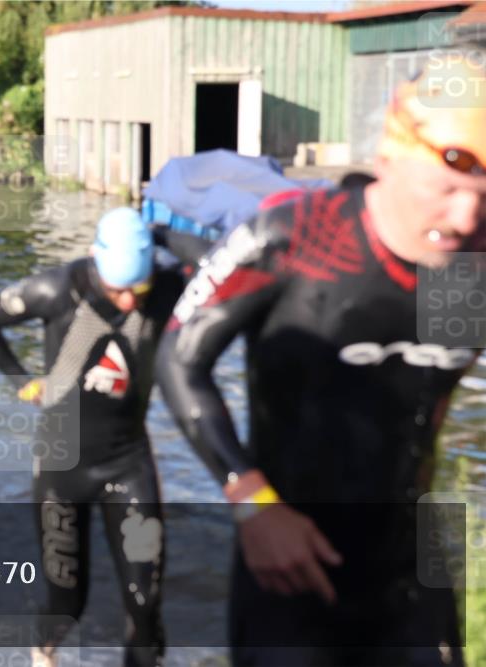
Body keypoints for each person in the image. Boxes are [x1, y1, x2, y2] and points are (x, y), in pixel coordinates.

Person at [155, 54, 486, 666]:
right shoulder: (291, 239)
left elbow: (431, 391)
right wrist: (251, 501)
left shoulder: (471, 268)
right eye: (447, 189)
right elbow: (179, 357)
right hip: (290, 564)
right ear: (390, 157)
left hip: (411, 571)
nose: (466, 220)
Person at [0, 208, 189, 667]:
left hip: (128, 461)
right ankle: (42, 654)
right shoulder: (55, 289)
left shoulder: (168, 284)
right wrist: (21, 381)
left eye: (138, 289)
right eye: (116, 289)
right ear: (94, 262)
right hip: (61, 465)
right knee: (68, 603)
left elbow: (219, 261)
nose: (129, 301)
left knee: (145, 602)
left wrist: (163, 234)